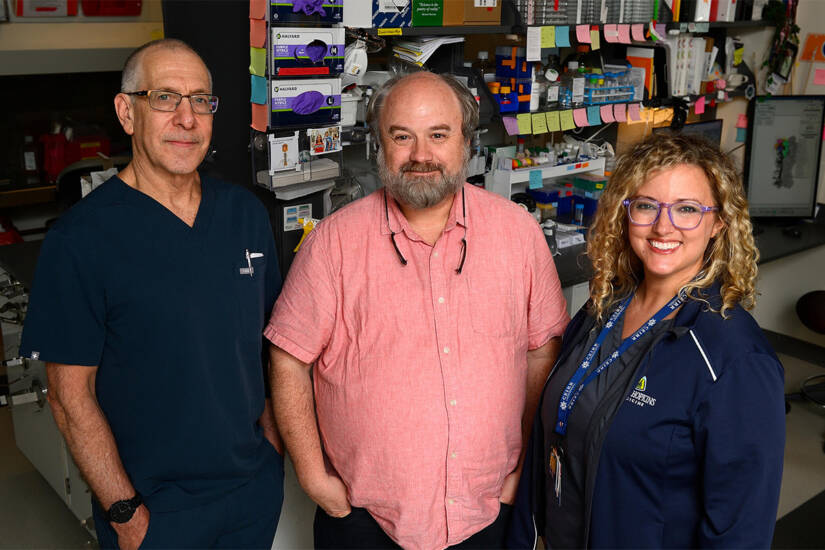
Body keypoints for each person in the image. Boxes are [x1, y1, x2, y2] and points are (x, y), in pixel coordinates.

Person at [266, 71, 569, 550]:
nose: (421, 155)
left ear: (466, 143)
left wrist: (521, 470)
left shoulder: (518, 235)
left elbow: (542, 353)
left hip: (488, 512)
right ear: (378, 145)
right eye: (402, 136)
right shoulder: (333, 244)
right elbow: (288, 358)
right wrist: (313, 477)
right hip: (365, 520)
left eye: (438, 135)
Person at [19, 39, 284, 550]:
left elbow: (266, 348)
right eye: (164, 97)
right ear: (126, 112)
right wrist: (125, 512)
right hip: (155, 511)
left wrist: (272, 456)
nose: (187, 118)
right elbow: (71, 397)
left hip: (251, 492)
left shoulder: (245, 215)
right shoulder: (81, 240)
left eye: (201, 100)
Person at [509, 133, 785, 549]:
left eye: (688, 209)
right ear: (626, 213)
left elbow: (740, 530)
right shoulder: (603, 307)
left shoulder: (735, 358)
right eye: (646, 205)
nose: (662, 226)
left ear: (718, 224)